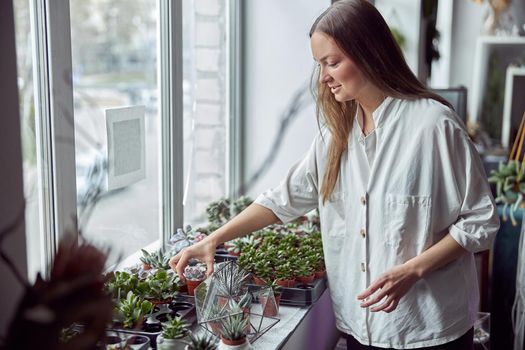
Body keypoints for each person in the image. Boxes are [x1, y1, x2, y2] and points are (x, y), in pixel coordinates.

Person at [169, 1, 499, 349]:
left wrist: (413, 270)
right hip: (360, 328)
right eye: (320, 65)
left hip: (428, 330)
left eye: (332, 62)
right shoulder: (334, 136)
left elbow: (481, 221)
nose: (324, 77)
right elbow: (283, 199)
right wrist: (213, 239)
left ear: (368, 53)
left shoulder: (434, 126)